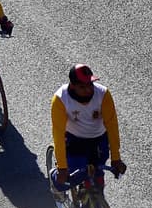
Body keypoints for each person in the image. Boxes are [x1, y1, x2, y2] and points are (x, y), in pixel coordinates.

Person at [51, 65, 125, 195]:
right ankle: (54, 179)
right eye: (82, 87)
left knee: (98, 179)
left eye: (90, 84)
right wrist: (62, 168)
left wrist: (116, 158)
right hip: (74, 141)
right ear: (73, 86)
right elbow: (58, 134)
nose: (89, 90)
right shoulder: (60, 99)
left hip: (99, 139)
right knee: (71, 178)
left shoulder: (103, 94)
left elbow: (112, 126)